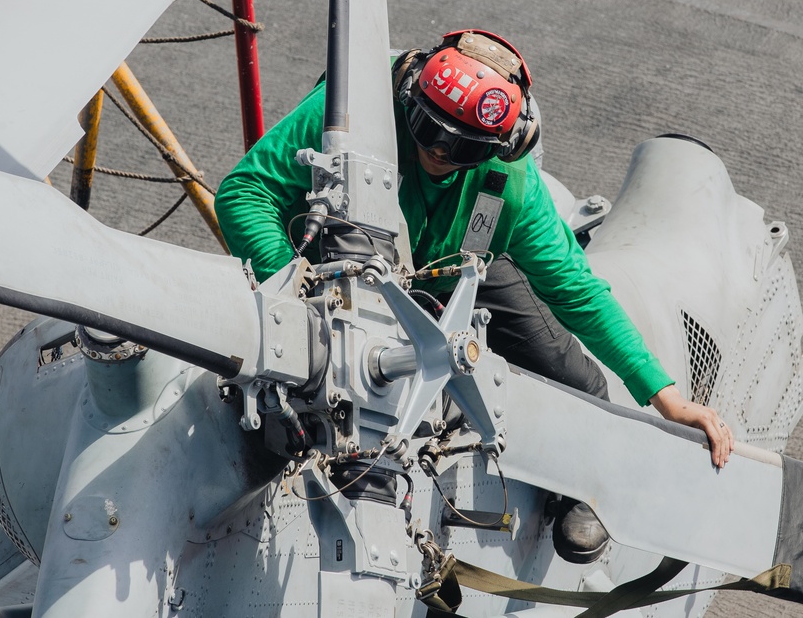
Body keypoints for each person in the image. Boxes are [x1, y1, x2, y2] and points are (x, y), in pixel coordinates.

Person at [214, 29, 734, 563]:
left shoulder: (512, 185)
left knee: (576, 378)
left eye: (458, 146)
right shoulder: (354, 107)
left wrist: (663, 394)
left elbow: (575, 288)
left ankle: (584, 488)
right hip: (344, 262)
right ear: (411, 97)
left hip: (457, 267)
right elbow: (244, 193)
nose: (437, 152)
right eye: (426, 130)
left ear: (497, 150)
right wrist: (295, 292)